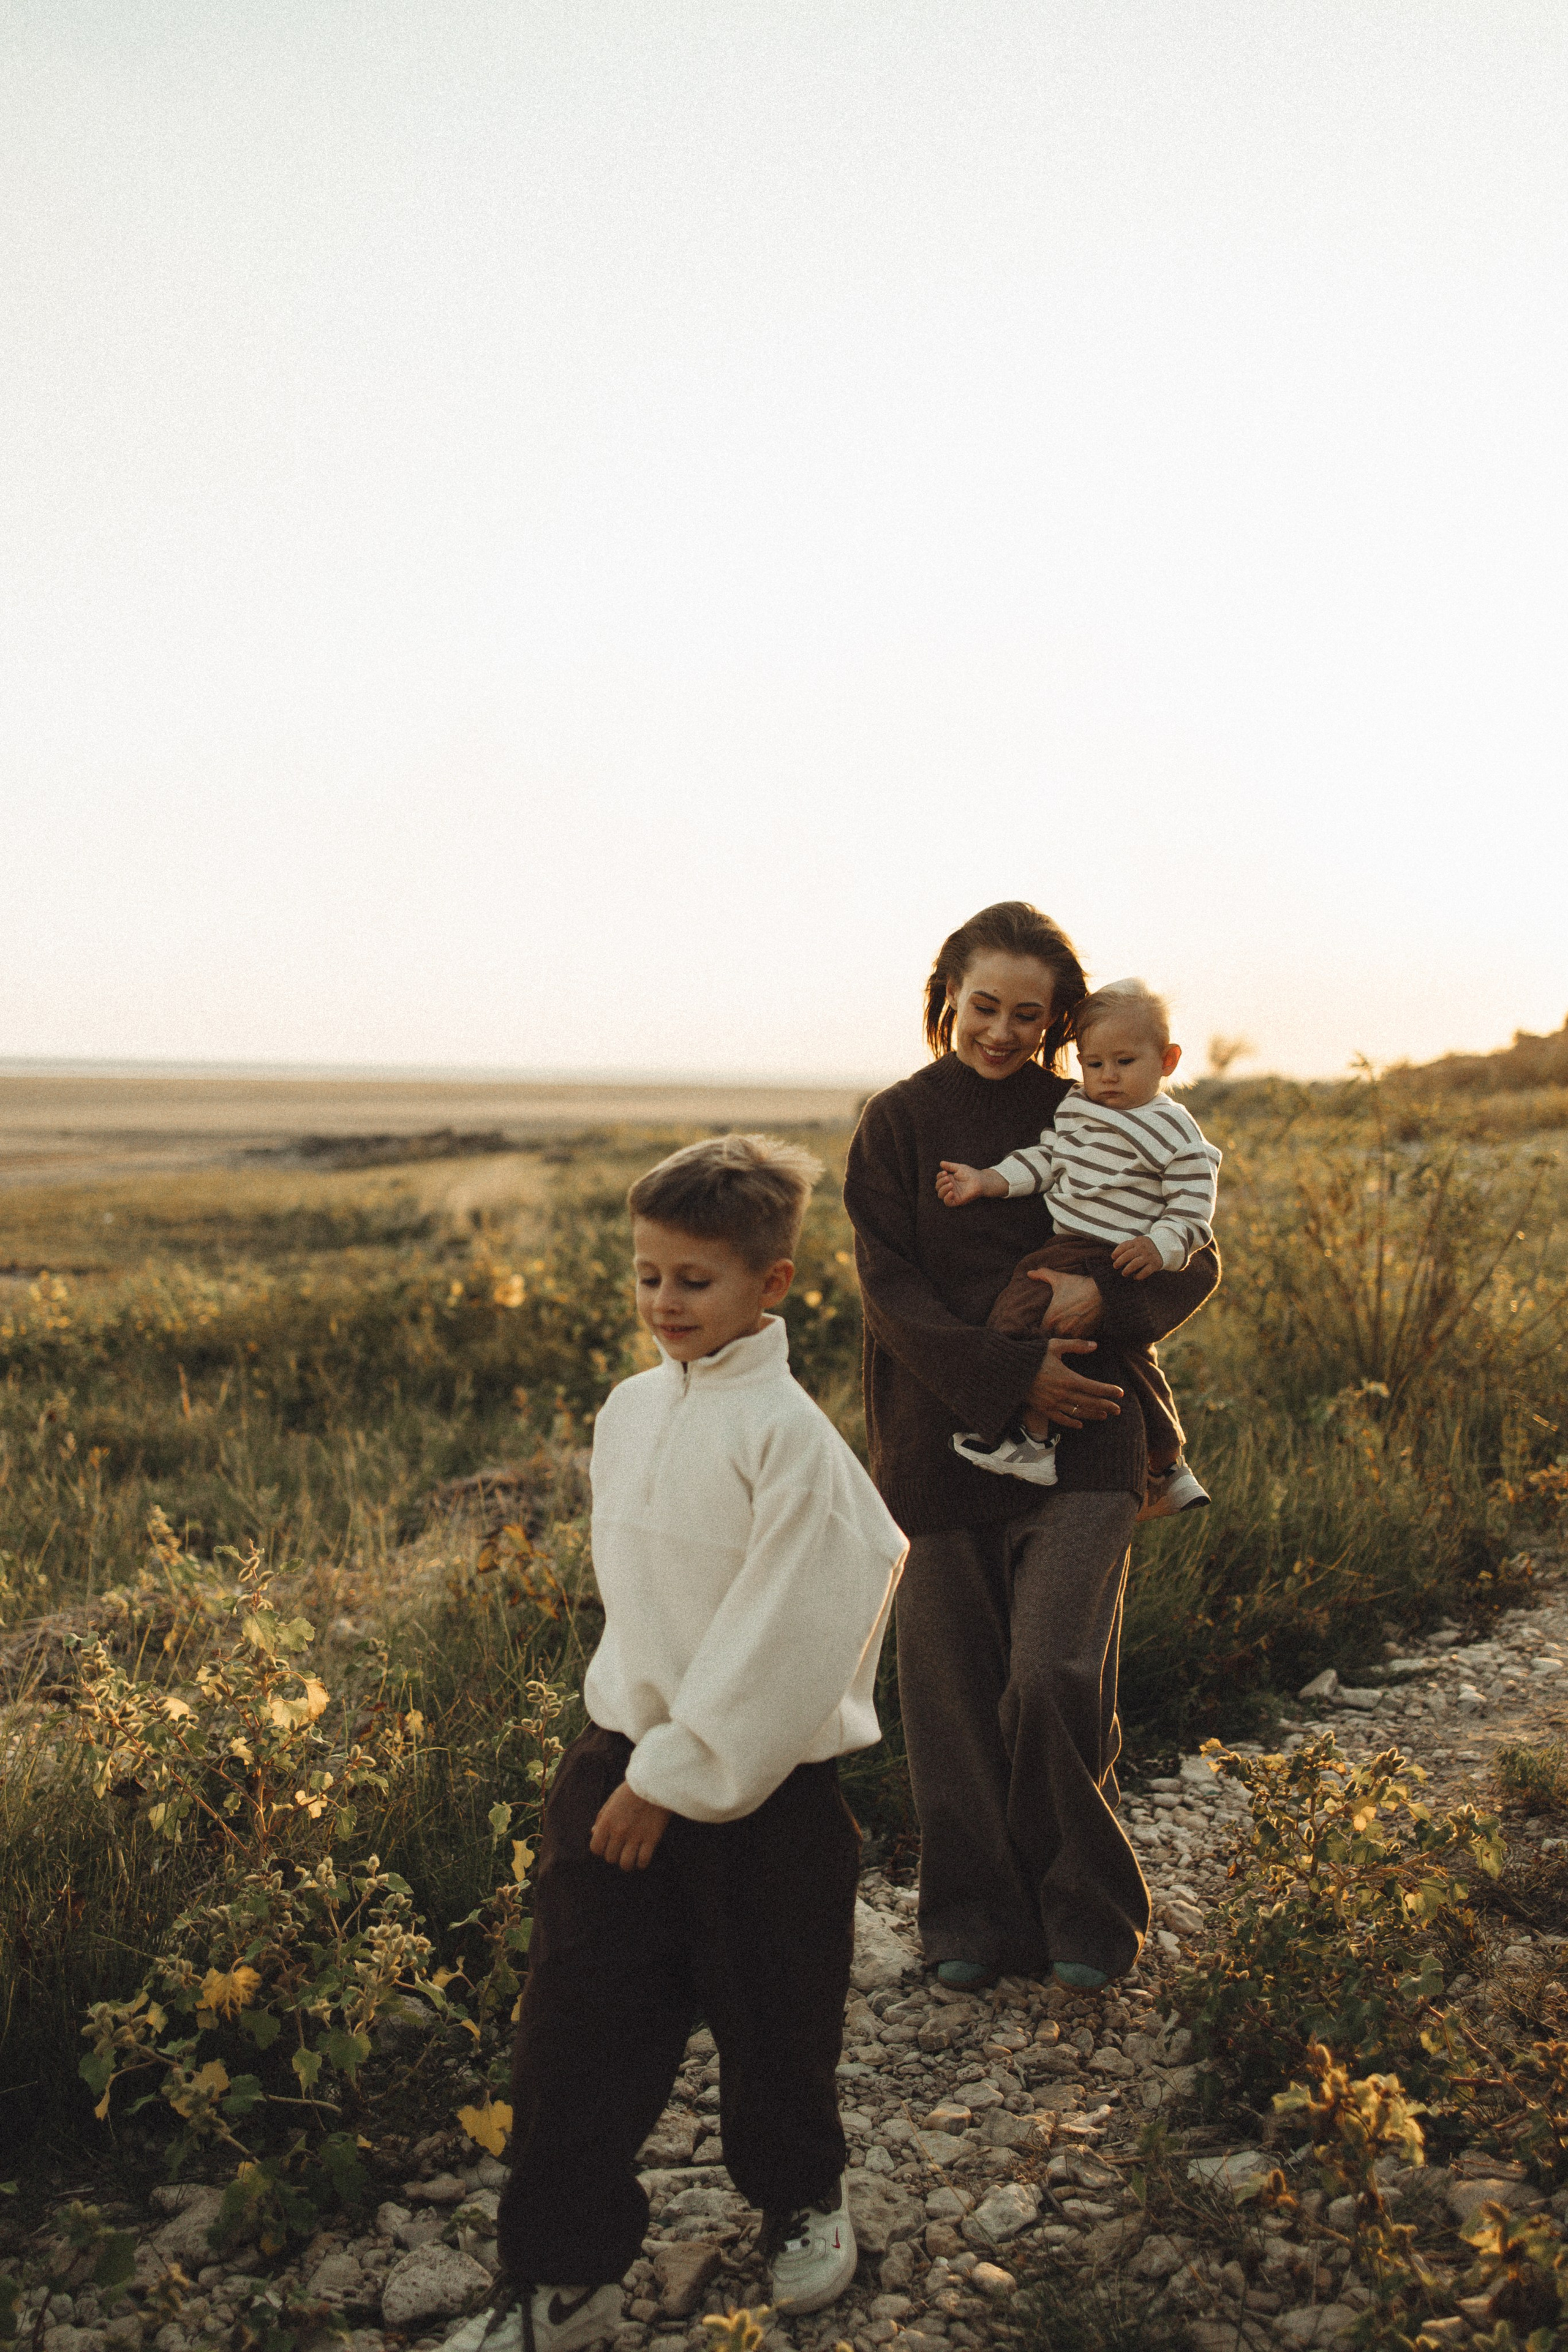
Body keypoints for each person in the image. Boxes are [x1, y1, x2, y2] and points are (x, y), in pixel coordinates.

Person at [447, 1134, 907, 2352]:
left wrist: (677, 1773)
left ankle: (803, 2197)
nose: (662, 1303)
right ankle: (563, 2283)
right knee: (575, 2028)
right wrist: (634, 1757)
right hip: (619, 1763)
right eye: (646, 1275)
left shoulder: (790, 1440)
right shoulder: (630, 1410)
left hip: (764, 1791)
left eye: (693, 1280)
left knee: (775, 2019)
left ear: (774, 1282)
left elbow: (794, 1627)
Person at [842, 902, 1219, 1994]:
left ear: (1058, 1021)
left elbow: (1196, 1259)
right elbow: (889, 1288)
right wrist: (1013, 1377)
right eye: (984, 1006)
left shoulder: (1096, 1104)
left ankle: (1090, 1920)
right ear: (947, 997)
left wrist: (1102, 1296)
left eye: (1029, 1014)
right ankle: (970, 1921)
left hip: (1092, 1435)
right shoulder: (899, 1123)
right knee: (953, 1699)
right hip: (938, 1440)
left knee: (1053, 1679)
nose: (1003, 1031)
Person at [935, 977, 1221, 1514]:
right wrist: (987, 1181)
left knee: (1014, 1317)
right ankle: (1171, 1464)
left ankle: (1031, 1445)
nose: (1107, 1077)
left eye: (1124, 1062)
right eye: (1093, 1064)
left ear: (1168, 1060)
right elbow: (1044, 1162)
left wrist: (1161, 1246)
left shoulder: (1172, 1127)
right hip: (1069, 1244)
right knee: (1132, 1359)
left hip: (1116, 1251)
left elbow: (1193, 1201)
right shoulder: (1075, 1109)